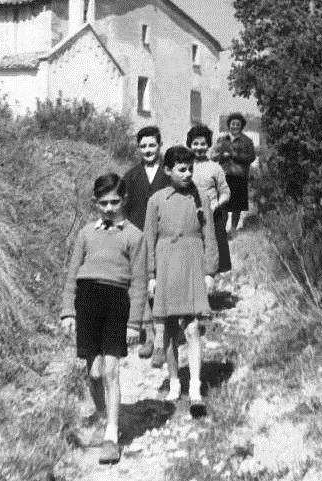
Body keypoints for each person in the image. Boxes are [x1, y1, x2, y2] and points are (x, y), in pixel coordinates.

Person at [61, 173, 147, 465]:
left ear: (124, 201)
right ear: (95, 203)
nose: (109, 208)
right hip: (87, 301)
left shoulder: (134, 235)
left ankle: (111, 434)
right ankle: (103, 416)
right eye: (103, 203)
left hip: (116, 303)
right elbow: (72, 274)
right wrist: (67, 311)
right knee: (94, 372)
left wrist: (135, 322)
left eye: (115, 202)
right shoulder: (86, 233)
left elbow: (138, 281)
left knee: (111, 370)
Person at [144, 146, 218, 417]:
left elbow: (210, 236)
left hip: (192, 264)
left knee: (193, 327)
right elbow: (148, 241)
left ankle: (196, 387)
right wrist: (150, 276)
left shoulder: (200, 198)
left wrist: (210, 272)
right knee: (171, 328)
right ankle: (175, 381)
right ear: (167, 170)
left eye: (190, 169)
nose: (187, 174)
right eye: (181, 169)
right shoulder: (157, 200)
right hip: (166, 265)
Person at [122, 126, 169, 365]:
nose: (148, 150)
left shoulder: (169, 175)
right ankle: (149, 336)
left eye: (152, 145)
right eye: (143, 146)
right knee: (140, 286)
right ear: (138, 148)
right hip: (139, 242)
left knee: (159, 289)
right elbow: (123, 211)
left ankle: (162, 342)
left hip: (164, 241)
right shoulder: (130, 177)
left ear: (160, 146)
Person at [186, 124, 231, 273]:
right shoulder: (184, 166)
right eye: (195, 144)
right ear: (190, 144)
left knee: (210, 255)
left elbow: (225, 192)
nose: (199, 147)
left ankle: (209, 290)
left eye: (203, 144)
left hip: (211, 217)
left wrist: (216, 204)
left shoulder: (215, 168)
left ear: (208, 145)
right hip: (188, 218)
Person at [212, 113, 256, 236]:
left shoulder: (247, 141)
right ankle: (222, 230)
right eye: (233, 124)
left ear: (241, 126)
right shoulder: (222, 139)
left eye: (238, 124)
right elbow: (214, 155)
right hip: (224, 176)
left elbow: (251, 157)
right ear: (229, 125)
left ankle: (233, 230)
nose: (235, 126)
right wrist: (220, 156)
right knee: (223, 204)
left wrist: (233, 155)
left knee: (236, 206)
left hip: (239, 176)